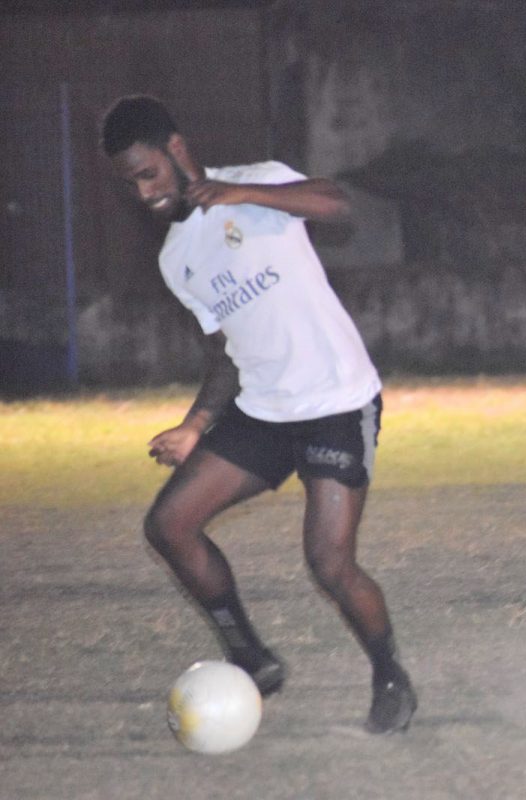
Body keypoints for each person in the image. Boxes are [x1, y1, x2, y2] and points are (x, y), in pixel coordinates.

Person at [100, 95, 417, 734]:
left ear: (177, 149)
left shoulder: (259, 182)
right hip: (262, 411)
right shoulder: (174, 259)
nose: (142, 191)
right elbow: (226, 347)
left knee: (329, 563)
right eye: (130, 182)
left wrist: (240, 197)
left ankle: (390, 676)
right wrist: (195, 424)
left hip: (334, 401)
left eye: (148, 173)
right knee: (170, 523)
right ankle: (250, 657)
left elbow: (338, 205)